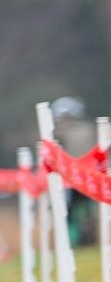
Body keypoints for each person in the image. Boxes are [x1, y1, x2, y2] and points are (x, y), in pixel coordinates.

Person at [52, 96, 96, 247]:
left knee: (68, 213)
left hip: (69, 181)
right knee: (88, 211)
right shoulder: (89, 130)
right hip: (90, 178)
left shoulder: (58, 134)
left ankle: (71, 241)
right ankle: (90, 236)